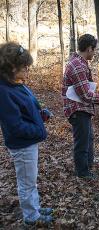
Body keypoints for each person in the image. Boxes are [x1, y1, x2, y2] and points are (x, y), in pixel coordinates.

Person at [0, 42, 53, 225]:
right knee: (26, 182)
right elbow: (15, 126)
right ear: (12, 68)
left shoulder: (17, 84)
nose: (27, 72)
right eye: (25, 68)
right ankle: (31, 217)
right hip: (22, 145)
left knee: (31, 179)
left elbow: (27, 109)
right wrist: (38, 130)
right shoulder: (4, 91)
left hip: (29, 142)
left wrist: (41, 114)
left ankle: (35, 208)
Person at [62, 34, 99, 179]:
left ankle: (88, 166)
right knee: (82, 142)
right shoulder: (77, 66)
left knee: (88, 139)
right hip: (78, 109)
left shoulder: (80, 63)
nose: (95, 53)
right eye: (94, 50)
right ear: (88, 49)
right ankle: (83, 173)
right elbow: (86, 95)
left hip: (82, 109)